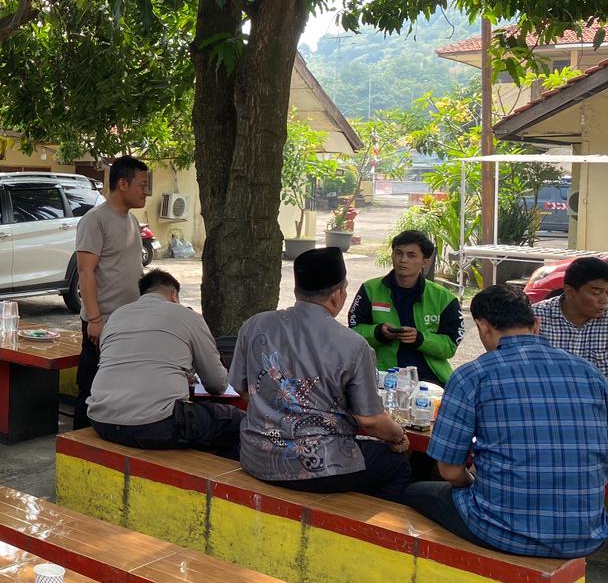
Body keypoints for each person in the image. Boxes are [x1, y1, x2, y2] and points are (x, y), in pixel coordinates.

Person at [404, 284, 608, 558]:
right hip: (588, 533)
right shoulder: (590, 373)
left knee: (415, 492)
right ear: (536, 325)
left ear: (482, 327)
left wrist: (474, 481)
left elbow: (450, 471)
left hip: (502, 531)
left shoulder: (472, 375)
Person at [231, 247, 411, 502]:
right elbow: (370, 420)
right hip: (319, 465)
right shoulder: (353, 345)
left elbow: (243, 390)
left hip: (256, 456)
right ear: (337, 296)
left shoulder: (254, 325)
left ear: (297, 290)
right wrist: (398, 437)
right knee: (397, 466)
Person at [87, 270, 243, 459]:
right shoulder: (188, 316)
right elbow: (217, 384)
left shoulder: (116, 316)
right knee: (239, 422)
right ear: (173, 295)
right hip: (154, 424)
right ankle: (219, 474)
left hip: (100, 420)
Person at [74, 155, 149, 429]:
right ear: (122, 184)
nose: (146, 192)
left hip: (129, 322)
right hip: (102, 324)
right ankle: (79, 442)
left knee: (121, 390)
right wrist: (94, 320)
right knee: (91, 388)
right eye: (142, 185)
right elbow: (86, 272)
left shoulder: (132, 222)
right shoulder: (95, 220)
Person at [348, 230, 463, 386]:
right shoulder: (370, 289)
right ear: (392, 255)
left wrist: (420, 339)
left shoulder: (444, 298)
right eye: (398, 253)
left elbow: (450, 346)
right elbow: (353, 334)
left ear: (425, 262)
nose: (403, 260)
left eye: (411, 255)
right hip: (382, 377)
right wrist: (378, 332)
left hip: (429, 380)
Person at [532, 256, 608, 378]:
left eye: (607, 293)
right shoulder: (535, 318)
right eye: (596, 293)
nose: (604, 301)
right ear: (570, 291)